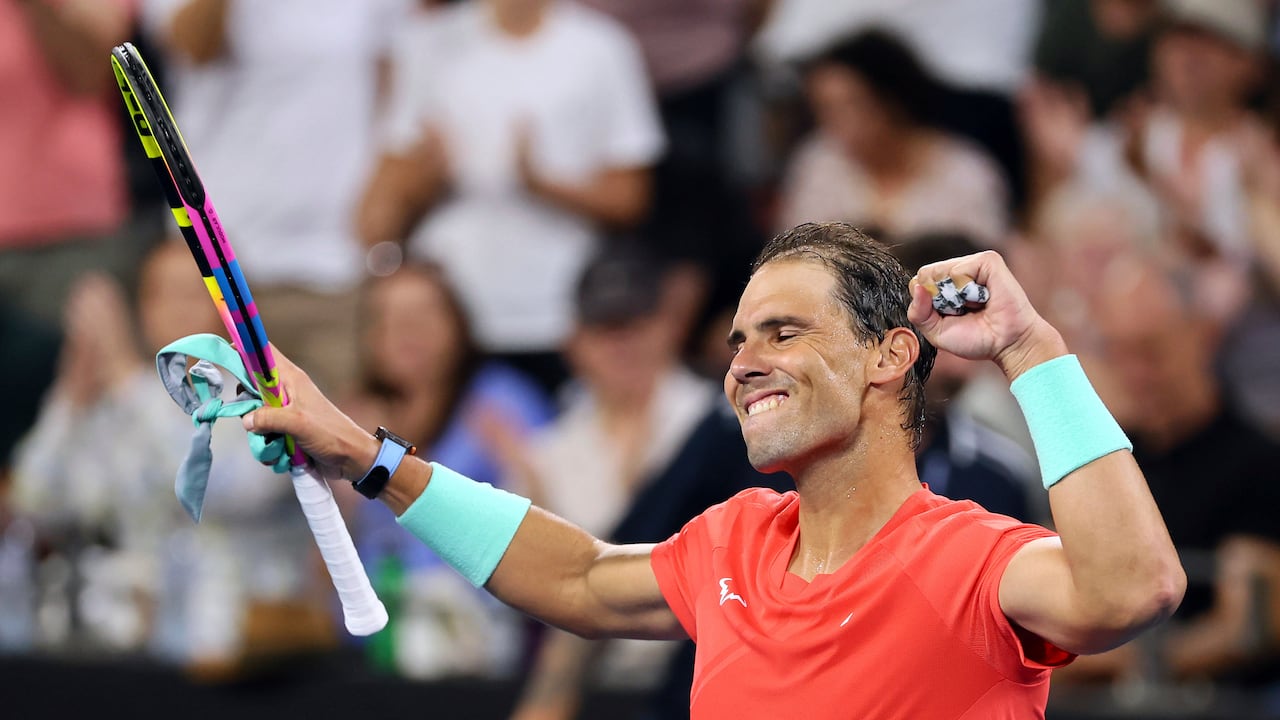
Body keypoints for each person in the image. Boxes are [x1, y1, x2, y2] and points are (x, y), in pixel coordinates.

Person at [242, 221, 1185, 718]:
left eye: (785, 332)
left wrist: (1029, 345)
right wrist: (370, 458)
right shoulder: (732, 540)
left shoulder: (974, 557)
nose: (743, 363)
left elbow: (1134, 587)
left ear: (890, 357)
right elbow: (571, 575)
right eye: (738, 340)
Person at [11, 241, 330, 676]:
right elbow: (37, 503)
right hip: (141, 653)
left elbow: (220, 489)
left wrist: (125, 373)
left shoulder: (269, 399)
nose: (175, 309)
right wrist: (70, 399)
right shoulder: (121, 408)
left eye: (192, 293)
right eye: (159, 294)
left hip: (251, 657)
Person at [358, 0, 666, 395]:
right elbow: (375, 217)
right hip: (455, 318)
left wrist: (543, 184)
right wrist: (426, 178)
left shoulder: (602, 46)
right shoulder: (428, 44)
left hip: (561, 312)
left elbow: (631, 197)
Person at [140, 0, 412, 395]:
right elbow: (189, 44)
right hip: (219, 266)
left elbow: (398, 71)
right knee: (207, 439)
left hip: (335, 268)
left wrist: (385, 195)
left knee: (335, 448)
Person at [338, 260, 556, 679]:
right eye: (390, 318)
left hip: (480, 649)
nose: (408, 331)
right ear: (369, 335)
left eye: (423, 314)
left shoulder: (502, 400)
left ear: (458, 324)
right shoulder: (351, 418)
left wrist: (519, 467)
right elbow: (322, 563)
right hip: (371, 648)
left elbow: (552, 529)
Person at [775, 30, 1010, 248]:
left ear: (892, 100)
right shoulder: (818, 163)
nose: (838, 124)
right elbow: (793, 255)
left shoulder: (965, 173)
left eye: (852, 105)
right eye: (824, 109)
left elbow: (983, 265)